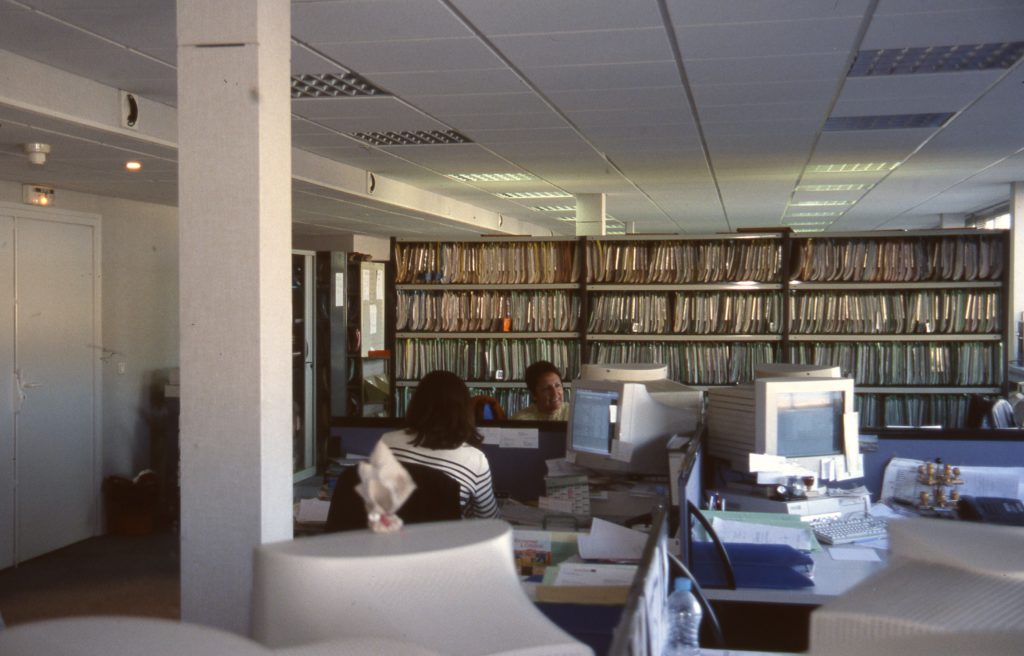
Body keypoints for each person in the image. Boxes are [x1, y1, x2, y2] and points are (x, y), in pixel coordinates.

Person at [381, 370, 500, 519]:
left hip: (390, 538)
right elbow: (489, 520)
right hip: (447, 541)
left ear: (416, 404)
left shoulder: (387, 442)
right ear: (463, 409)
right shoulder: (475, 461)